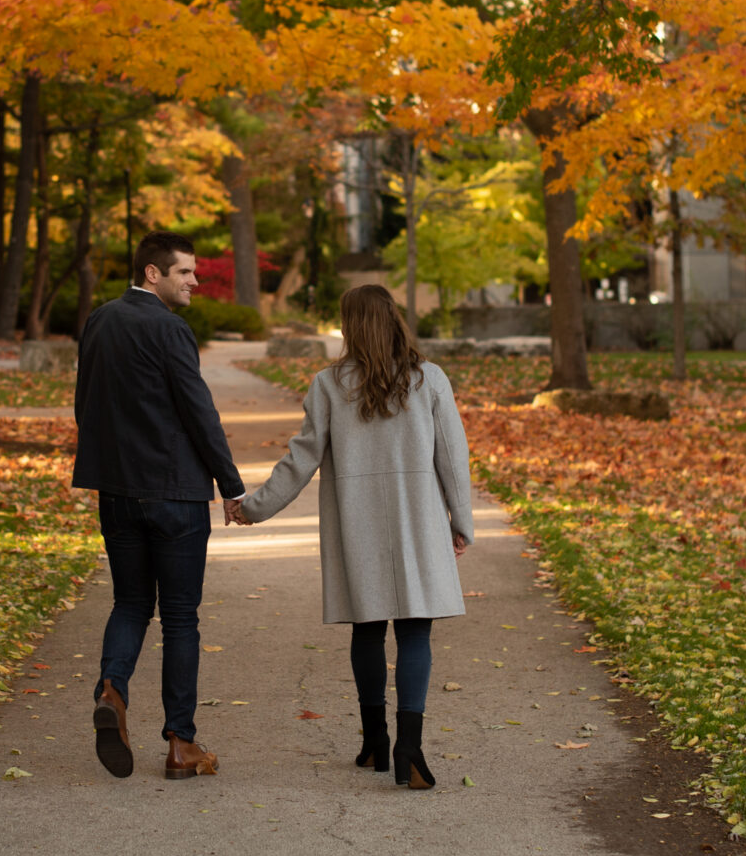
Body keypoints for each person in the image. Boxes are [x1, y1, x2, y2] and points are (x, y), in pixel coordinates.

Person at [236, 284, 472, 789]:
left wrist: (253, 509)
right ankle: (410, 746)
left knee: (366, 629)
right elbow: (453, 457)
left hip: (357, 524)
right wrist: (461, 521)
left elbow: (299, 460)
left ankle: (374, 742)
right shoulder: (428, 379)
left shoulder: (327, 385)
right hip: (417, 521)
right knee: (414, 631)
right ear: (394, 319)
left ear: (349, 326)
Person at [72, 231, 245, 781]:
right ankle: (181, 744)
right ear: (153, 273)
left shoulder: (99, 321)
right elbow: (199, 412)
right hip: (174, 494)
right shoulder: (170, 329)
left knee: (128, 604)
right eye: (185, 272)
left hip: (117, 493)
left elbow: (86, 405)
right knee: (179, 619)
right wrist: (231, 485)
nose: (196, 280)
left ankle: (112, 691)